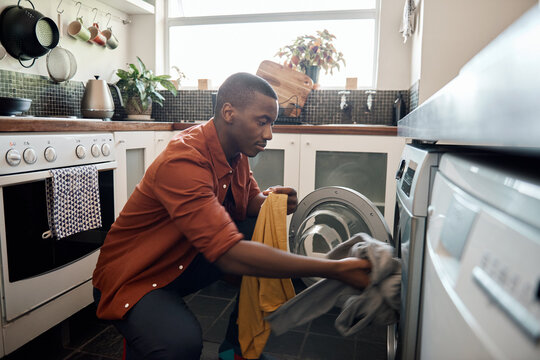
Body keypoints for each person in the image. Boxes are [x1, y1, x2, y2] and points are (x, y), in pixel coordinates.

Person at [92, 72, 371, 360]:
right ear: (229, 113)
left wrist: (272, 202)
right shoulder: (184, 160)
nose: (269, 134)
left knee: (254, 227)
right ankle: (142, 342)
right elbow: (227, 254)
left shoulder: (235, 153)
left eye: (272, 124)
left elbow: (249, 202)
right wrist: (334, 269)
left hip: (182, 261)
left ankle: (234, 350)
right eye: (262, 122)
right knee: (180, 344)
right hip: (134, 277)